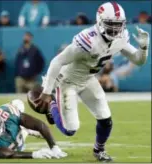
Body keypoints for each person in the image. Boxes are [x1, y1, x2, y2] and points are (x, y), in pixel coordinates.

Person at [27, 2, 150, 162]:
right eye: (111, 24)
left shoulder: (120, 38)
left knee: (106, 119)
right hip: (67, 82)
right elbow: (57, 62)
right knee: (70, 129)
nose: (115, 29)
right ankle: (52, 104)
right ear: (100, 22)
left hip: (88, 79)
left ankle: (99, 150)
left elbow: (138, 60)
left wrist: (144, 47)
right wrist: (46, 92)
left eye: (118, 25)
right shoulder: (88, 41)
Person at [0, 99, 67, 159]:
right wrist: (35, 154)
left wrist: (54, 147)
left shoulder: (8, 113)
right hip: (13, 144)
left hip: (16, 133)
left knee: (17, 104)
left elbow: (40, 124)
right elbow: (9, 154)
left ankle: (25, 129)